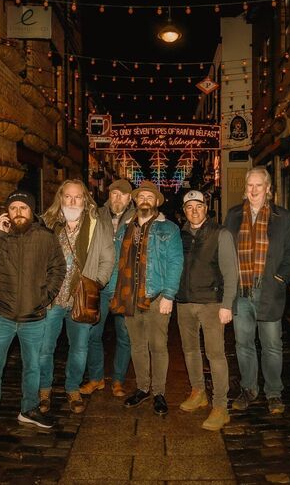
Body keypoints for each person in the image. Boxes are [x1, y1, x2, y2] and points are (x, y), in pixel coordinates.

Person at [0, 190, 66, 445]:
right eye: (13, 208)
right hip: (1, 315)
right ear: (7, 213)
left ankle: (29, 409)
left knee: (32, 367)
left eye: (23, 207)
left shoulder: (46, 237)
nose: (18, 212)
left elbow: (58, 267)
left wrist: (45, 296)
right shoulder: (0, 236)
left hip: (34, 316)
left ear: (32, 211)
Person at [224, 166, 290, 415]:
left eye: (259, 185)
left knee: (272, 346)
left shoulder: (282, 216)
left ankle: (274, 392)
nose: (254, 190)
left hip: (269, 290)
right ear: (245, 189)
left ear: (268, 189)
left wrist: (280, 278)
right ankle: (249, 389)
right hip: (241, 292)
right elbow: (225, 251)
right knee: (243, 344)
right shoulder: (234, 215)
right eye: (250, 185)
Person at [38, 180, 115, 414]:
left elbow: (108, 259)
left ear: (85, 199)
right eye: (68, 197)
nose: (72, 201)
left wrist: (95, 284)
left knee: (79, 349)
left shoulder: (97, 225)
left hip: (81, 299)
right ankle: (44, 389)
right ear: (60, 198)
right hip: (51, 299)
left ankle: (72, 388)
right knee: (45, 348)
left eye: (77, 197)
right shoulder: (47, 223)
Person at [110, 180, 183, 416]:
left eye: (149, 197)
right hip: (129, 296)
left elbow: (176, 262)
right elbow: (117, 263)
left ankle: (159, 392)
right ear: (135, 201)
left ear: (156, 203)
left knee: (158, 346)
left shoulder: (168, 229)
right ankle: (143, 388)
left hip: (156, 296)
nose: (145, 200)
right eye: (141, 197)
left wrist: (169, 295)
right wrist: (114, 292)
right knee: (137, 346)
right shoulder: (125, 229)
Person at [175, 190, 238, 431]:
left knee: (215, 354)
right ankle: (198, 391)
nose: (194, 211)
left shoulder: (220, 233)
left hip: (212, 303)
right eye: (189, 207)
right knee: (190, 350)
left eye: (198, 206)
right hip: (185, 302)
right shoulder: (179, 235)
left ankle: (221, 406)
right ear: (184, 211)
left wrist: (227, 304)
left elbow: (230, 272)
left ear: (206, 207)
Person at [80, 179, 136, 398]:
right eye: (114, 193)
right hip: (99, 284)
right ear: (108, 195)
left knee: (124, 336)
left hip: (124, 286)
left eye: (122, 194)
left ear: (130, 197)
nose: (117, 198)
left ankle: (118, 380)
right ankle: (96, 378)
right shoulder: (96, 215)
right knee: (93, 333)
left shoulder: (137, 217)